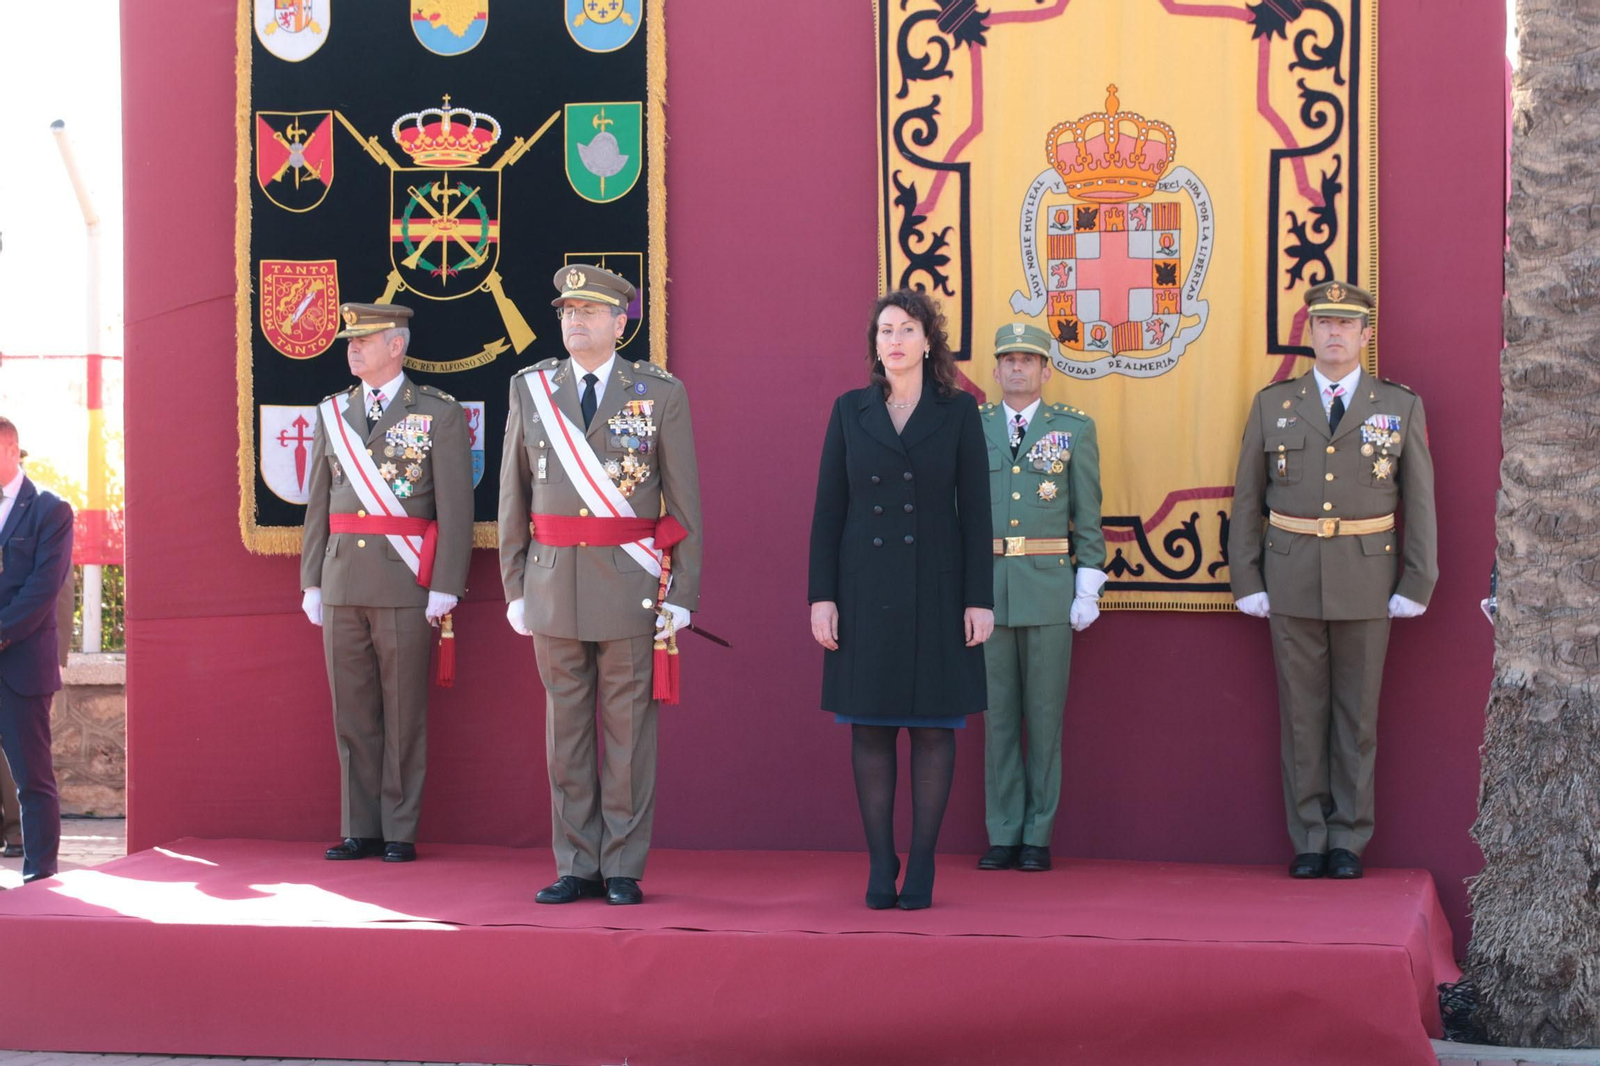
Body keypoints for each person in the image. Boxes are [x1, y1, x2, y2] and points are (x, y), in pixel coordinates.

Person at [499, 264, 703, 907]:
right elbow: (513, 496)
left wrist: (682, 592)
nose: (575, 321)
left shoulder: (659, 393)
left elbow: (685, 504)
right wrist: (513, 585)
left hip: (629, 586)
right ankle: (575, 864)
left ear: (620, 323)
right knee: (566, 737)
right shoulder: (531, 389)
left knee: (628, 736)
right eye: (567, 311)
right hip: (553, 584)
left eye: (589, 311)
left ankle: (621, 866)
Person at [1228, 280, 1437, 880]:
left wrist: (1417, 580)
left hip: (1367, 578)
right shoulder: (1274, 404)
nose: (1335, 333)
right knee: (1301, 717)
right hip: (1290, 575)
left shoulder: (1397, 405)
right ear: (1311, 333)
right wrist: (1247, 576)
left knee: (1357, 719)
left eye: (1346, 324)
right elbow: (1248, 499)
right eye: (1325, 323)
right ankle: (1309, 838)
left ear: (1365, 335)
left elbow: (1420, 500)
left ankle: (1347, 838)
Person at [807, 289, 994, 910]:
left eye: (907, 328)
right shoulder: (850, 410)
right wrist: (822, 596)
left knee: (935, 729)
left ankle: (923, 861)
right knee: (870, 728)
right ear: (875, 343)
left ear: (928, 341)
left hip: (939, 587)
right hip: (865, 588)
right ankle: (880, 859)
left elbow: (977, 512)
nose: (895, 340)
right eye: (885, 330)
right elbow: (829, 510)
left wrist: (979, 598)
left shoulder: (958, 411)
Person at [299, 303, 474, 863]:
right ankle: (360, 827)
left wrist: (446, 583)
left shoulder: (439, 413)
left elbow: (456, 508)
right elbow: (319, 506)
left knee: (403, 714)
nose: (352, 348)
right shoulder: (332, 412)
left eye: (365, 340)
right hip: (342, 580)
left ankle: (399, 829)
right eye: (350, 340)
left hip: (405, 581)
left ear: (396, 346)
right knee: (351, 713)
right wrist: (311, 581)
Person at [977, 323, 1105, 874]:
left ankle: (1037, 834)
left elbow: (1088, 514)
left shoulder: (1073, 429)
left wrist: (1088, 585)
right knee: (998, 720)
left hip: (1050, 588)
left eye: (1028, 360)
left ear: (1046, 371)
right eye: (1009, 359)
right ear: (996, 368)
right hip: (988, 591)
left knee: (1045, 717)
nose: (1017, 368)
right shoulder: (973, 426)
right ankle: (1003, 831)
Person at [0, 417, 76, 883]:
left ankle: (40, 880)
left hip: (21, 666)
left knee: (32, 780)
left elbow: (42, 590)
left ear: (12, 450)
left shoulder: (50, 509)